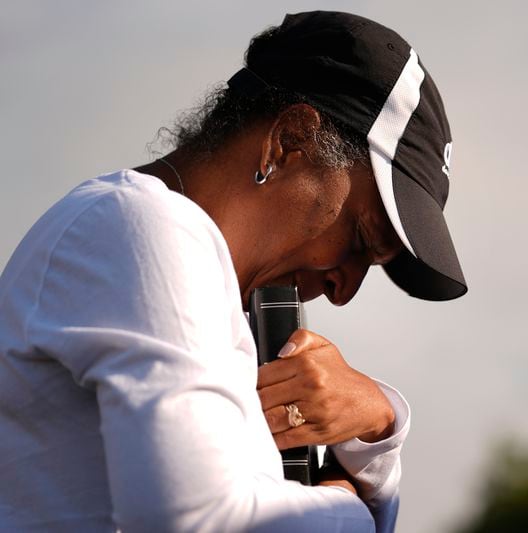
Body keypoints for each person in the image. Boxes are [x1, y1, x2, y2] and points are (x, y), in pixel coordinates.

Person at [0, 10, 466, 533]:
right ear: (290, 140)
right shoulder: (145, 224)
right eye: (359, 241)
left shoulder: (186, 266)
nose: (343, 291)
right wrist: (350, 504)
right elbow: (198, 518)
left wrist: (381, 426)